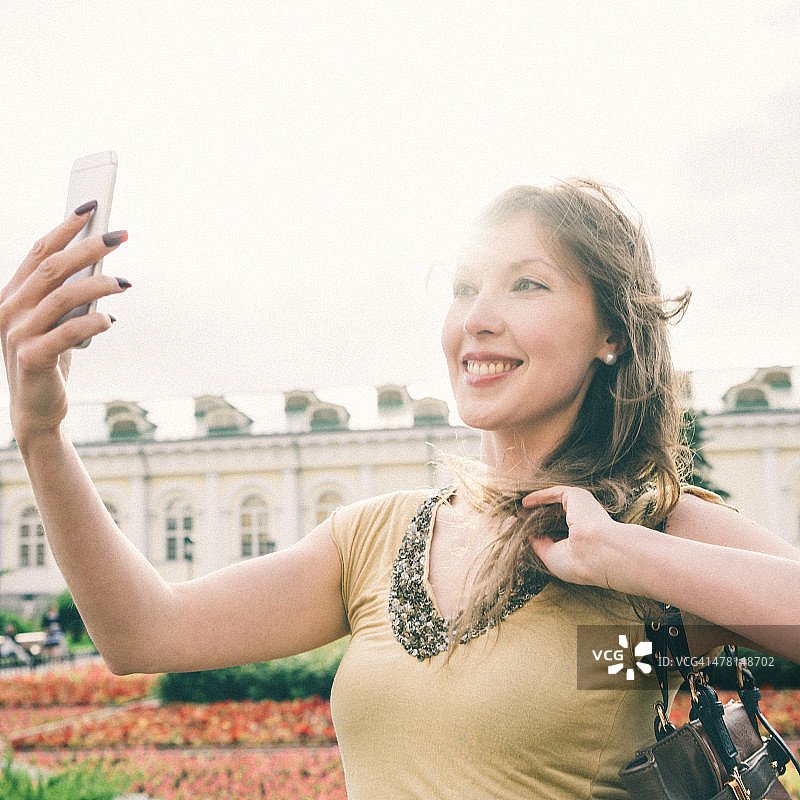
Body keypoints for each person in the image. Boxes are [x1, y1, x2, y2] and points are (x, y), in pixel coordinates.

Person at [1, 180, 798, 799]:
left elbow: (600, 683)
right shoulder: (372, 543)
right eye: (463, 287)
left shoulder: (649, 547)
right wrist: (43, 433)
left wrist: (623, 552)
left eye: (527, 284)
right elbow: (146, 634)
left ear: (613, 332)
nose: (477, 318)